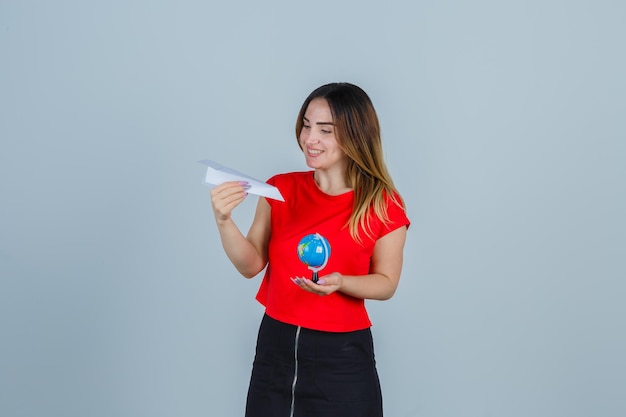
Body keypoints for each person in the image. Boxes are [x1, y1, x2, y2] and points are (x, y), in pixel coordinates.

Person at [210, 82, 410, 417]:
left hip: (343, 359)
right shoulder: (280, 188)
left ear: (356, 136)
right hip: (275, 348)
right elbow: (251, 264)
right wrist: (223, 220)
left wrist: (341, 282)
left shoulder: (383, 204)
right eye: (306, 125)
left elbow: (387, 282)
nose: (309, 138)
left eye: (325, 130)